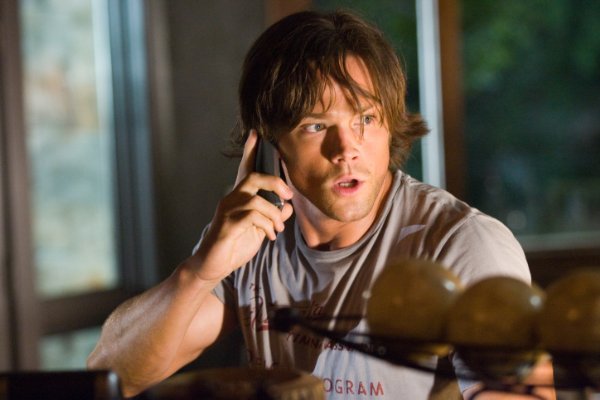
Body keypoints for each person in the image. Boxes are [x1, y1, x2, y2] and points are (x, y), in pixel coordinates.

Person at [88, 10, 554, 399]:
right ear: (268, 145)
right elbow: (112, 373)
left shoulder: (463, 245)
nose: (346, 149)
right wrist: (200, 271)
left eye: (366, 119)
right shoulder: (251, 241)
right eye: (316, 126)